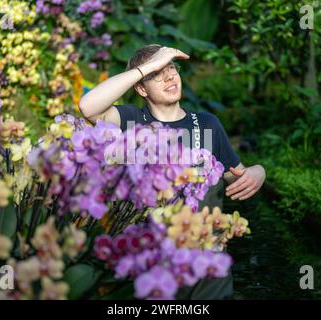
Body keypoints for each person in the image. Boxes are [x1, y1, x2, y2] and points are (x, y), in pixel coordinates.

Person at [79, 44, 266, 299]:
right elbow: (89, 107)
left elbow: (237, 176)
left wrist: (258, 172)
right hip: (152, 267)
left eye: (172, 69)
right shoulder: (131, 122)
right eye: (157, 74)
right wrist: (148, 66)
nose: (169, 77)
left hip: (207, 269)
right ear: (142, 88)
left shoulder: (208, 124)